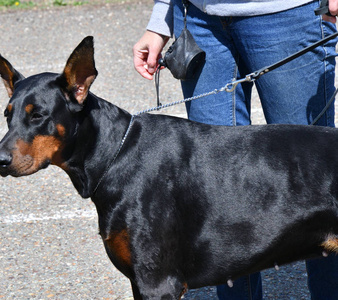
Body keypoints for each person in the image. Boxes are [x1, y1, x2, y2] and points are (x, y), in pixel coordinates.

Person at [133, 0, 338, 299]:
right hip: (200, 19)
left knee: (320, 185)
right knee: (218, 196)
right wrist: (161, 19)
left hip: (287, 14)